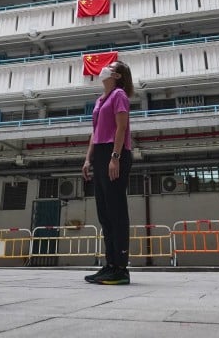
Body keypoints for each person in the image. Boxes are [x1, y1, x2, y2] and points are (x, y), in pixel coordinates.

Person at [82, 59, 134, 285]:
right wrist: (88, 158)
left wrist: (116, 157)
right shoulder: (100, 100)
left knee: (116, 211)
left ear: (118, 76)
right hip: (101, 153)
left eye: (110, 67)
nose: (105, 68)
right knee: (104, 212)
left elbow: (121, 127)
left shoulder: (119, 95)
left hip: (116, 152)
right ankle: (109, 264)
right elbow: (94, 132)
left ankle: (121, 268)